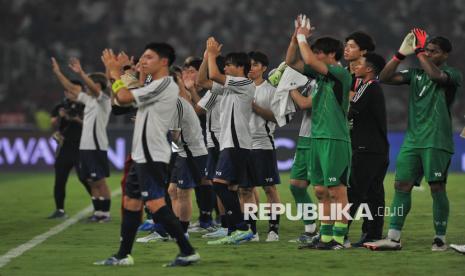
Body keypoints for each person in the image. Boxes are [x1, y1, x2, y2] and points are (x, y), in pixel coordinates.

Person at [95, 43, 199, 267]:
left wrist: (116, 73)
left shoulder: (166, 84)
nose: (143, 60)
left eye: (149, 57)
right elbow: (123, 98)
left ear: (164, 62)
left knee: (155, 203)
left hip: (153, 153)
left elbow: (123, 97)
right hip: (141, 154)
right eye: (142, 56)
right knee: (131, 202)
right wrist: (123, 73)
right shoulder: (154, 85)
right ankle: (123, 255)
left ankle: (188, 250)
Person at [364, 30, 463, 251]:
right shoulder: (415, 75)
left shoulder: (452, 74)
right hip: (413, 140)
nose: (428, 54)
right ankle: (393, 238)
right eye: (426, 50)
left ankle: (439, 238)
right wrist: (400, 54)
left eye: (433, 51)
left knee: (437, 187)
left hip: (437, 140)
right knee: (401, 186)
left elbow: (436, 76)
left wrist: (418, 52)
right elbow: (385, 78)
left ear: (445, 55)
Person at [286, 14, 352, 249]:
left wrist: (304, 39)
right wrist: (295, 40)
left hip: (335, 138)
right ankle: (325, 238)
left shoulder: (341, 74)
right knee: (322, 191)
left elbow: (310, 62)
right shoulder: (322, 78)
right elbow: (292, 64)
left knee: (337, 191)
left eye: (318, 53)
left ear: (331, 55)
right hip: (317, 138)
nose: (314, 57)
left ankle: (340, 238)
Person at [197, 37, 255, 245]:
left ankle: (241, 228)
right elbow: (202, 81)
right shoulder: (230, 87)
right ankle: (233, 231)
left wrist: (212, 56)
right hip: (230, 143)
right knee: (227, 188)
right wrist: (206, 57)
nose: (226, 67)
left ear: (240, 67)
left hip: (236, 143)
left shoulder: (244, 83)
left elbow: (213, 74)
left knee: (219, 186)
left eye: (229, 64)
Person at [51, 57, 112, 222]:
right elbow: (70, 87)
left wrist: (81, 72)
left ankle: (105, 214)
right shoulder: (89, 100)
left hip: (97, 146)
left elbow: (96, 86)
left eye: (89, 84)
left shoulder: (104, 100)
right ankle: (98, 213)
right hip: (85, 147)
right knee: (91, 181)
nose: (85, 87)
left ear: (97, 86)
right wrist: (58, 72)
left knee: (99, 181)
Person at [347, 52, 389, 247]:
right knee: (374, 194)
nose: (356, 67)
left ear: (369, 69)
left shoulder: (369, 86)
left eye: (360, 64)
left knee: (354, 192)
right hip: (377, 149)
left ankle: (338, 233)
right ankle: (373, 234)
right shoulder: (373, 88)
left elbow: (351, 109)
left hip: (366, 148)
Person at [240, 50, 282, 242]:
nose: (251, 68)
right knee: (245, 189)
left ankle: (273, 229)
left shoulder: (270, 91)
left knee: (269, 188)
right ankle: (251, 230)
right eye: (249, 64)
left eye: (255, 65)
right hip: (241, 144)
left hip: (262, 143)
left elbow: (276, 117)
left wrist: (254, 107)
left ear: (264, 68)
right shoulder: (239, 88)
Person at [48, 86, 91, 219]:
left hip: (81, 146)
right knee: (60, 179)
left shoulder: (85, 105)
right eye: (68, 91)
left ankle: (100, 207)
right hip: (64, 147)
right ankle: (59, 210)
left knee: (84, 178)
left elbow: (90, 125)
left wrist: (75, 119)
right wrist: (58, 122)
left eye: (73, 91)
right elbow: (53, 123)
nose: (69, 93)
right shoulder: (60, 106)